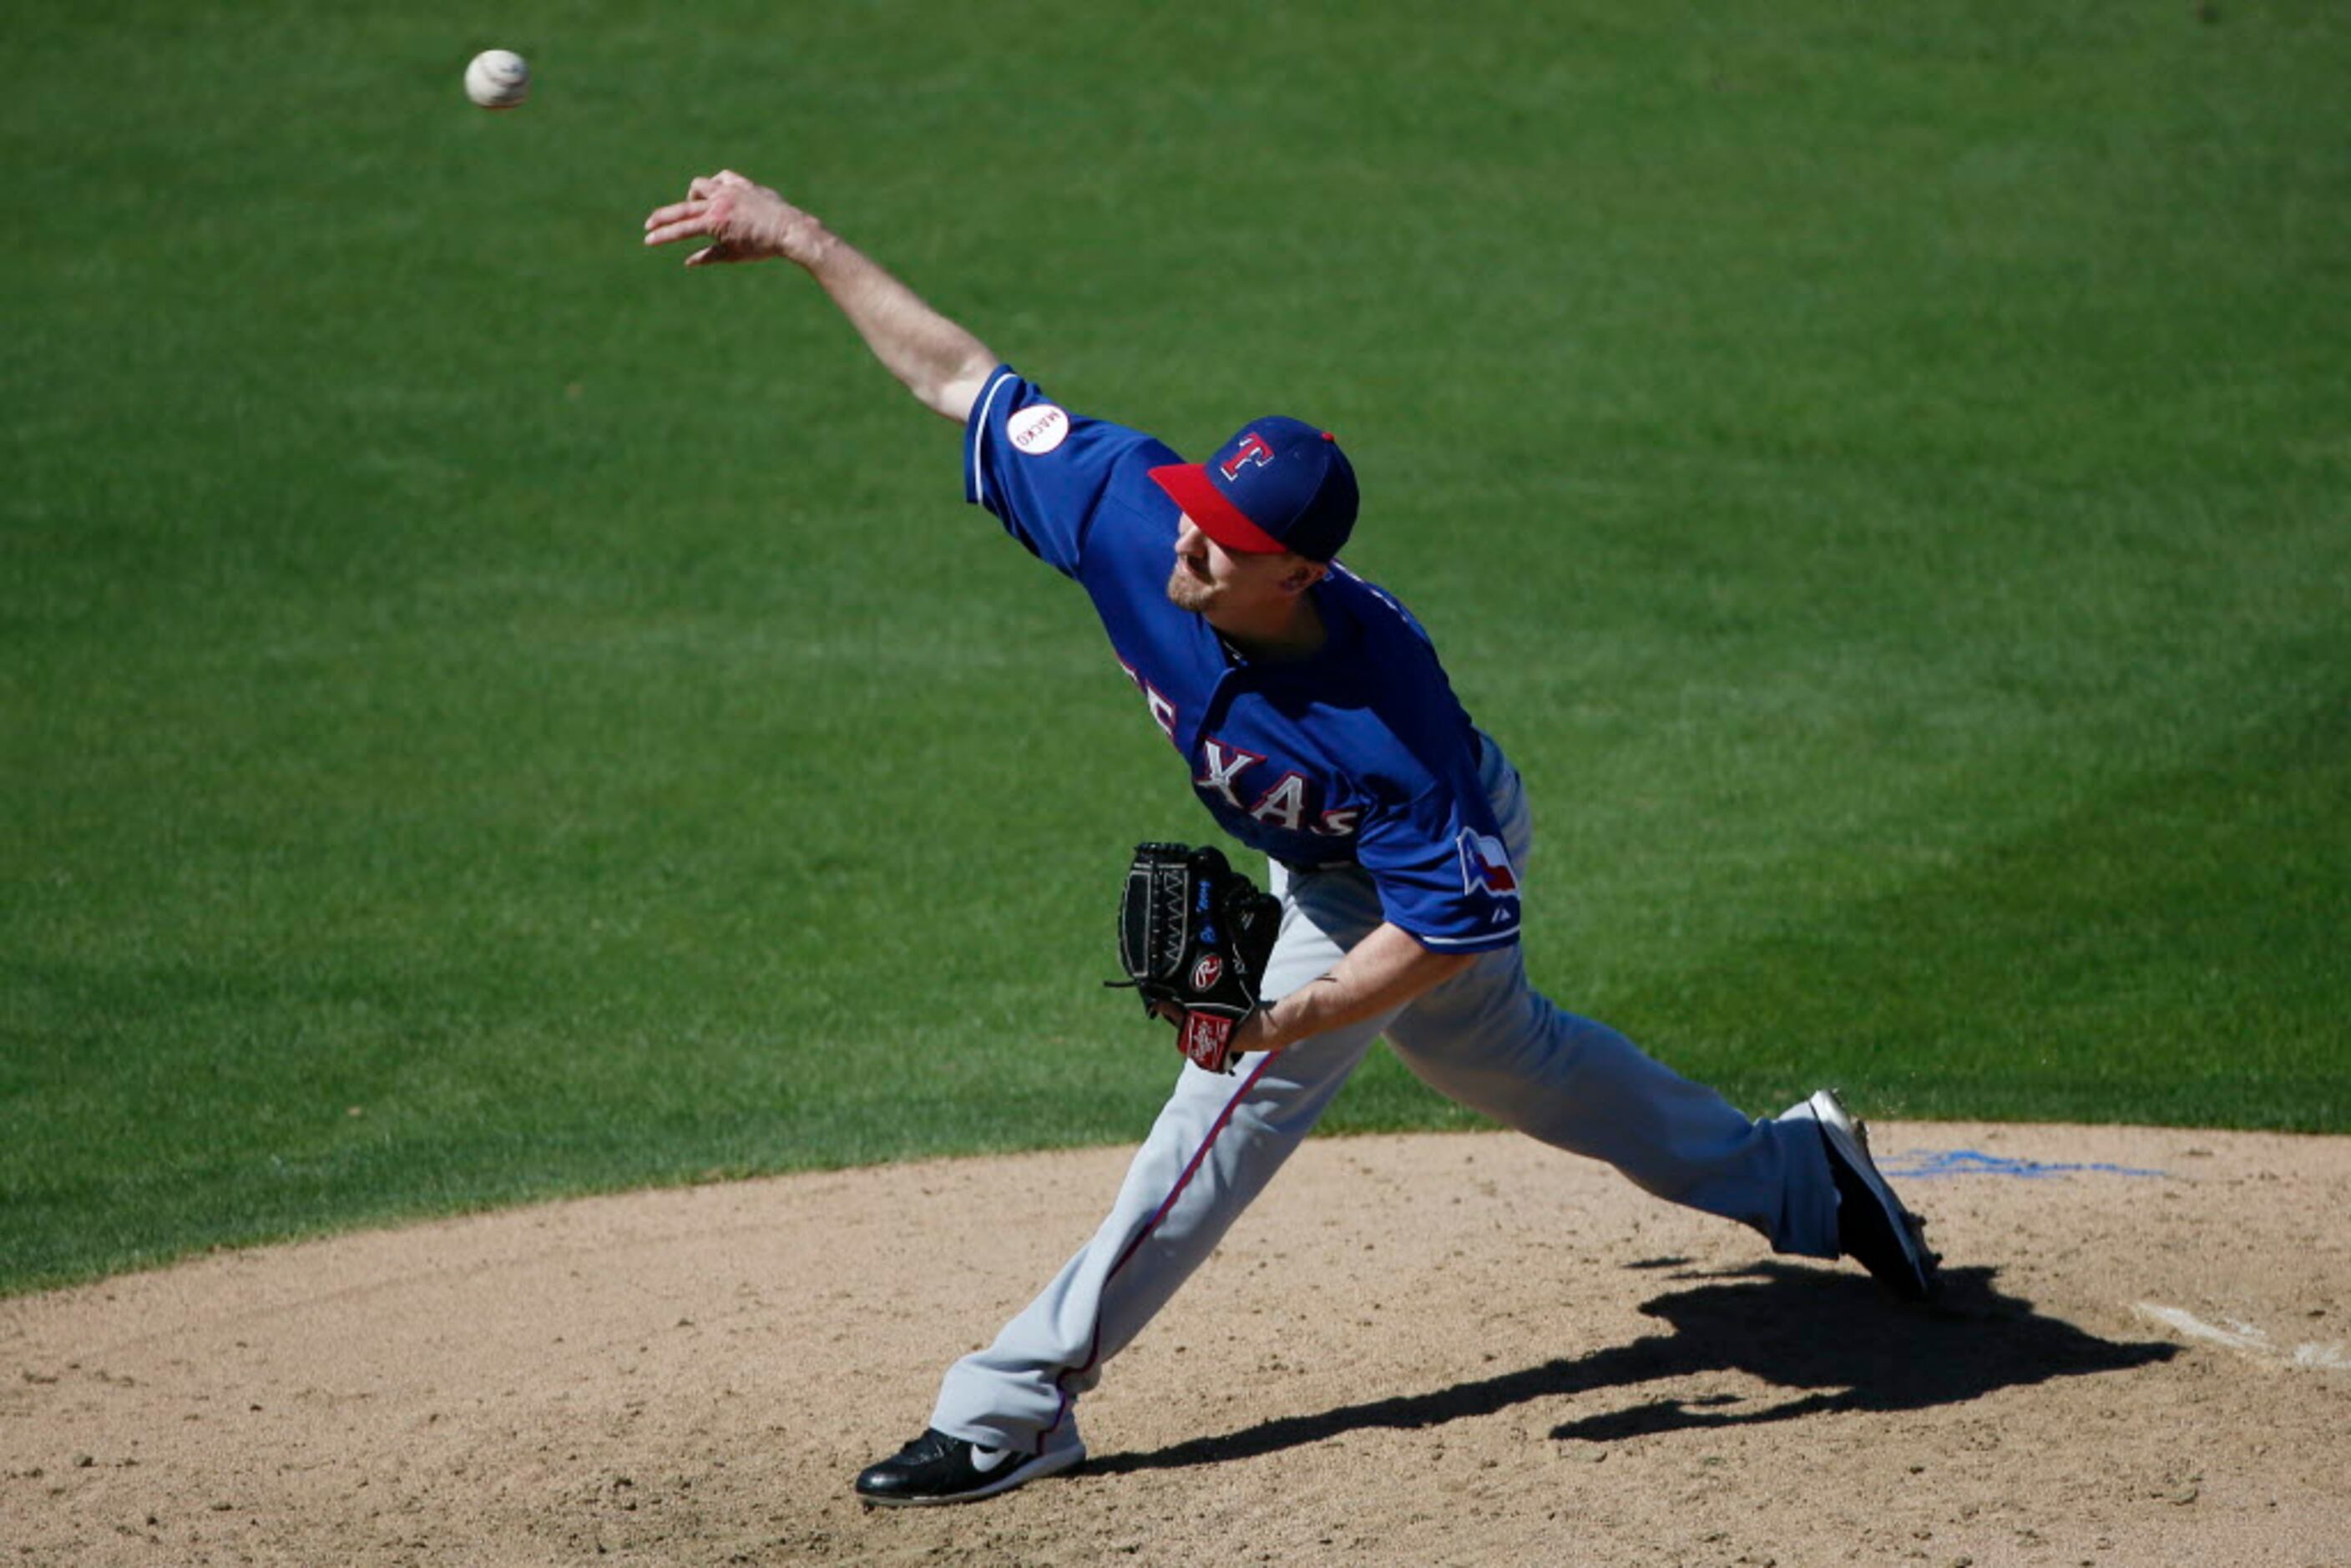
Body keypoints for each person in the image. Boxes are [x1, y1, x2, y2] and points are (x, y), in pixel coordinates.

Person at [642, 170, 1940, 1508]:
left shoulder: (1388, 723)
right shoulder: (1131, 507)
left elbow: (1444, 924)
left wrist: (1290, 1015)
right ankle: (1803, 1173)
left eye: (1235, 540)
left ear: (1301, 574)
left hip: (1420, 859)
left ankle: (1016, 1401)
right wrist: (798, 239)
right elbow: (961, 381)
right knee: (1519, 1063)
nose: (1195, 543)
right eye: (1202, 507)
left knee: (1233, 1103)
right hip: (1335, 854)